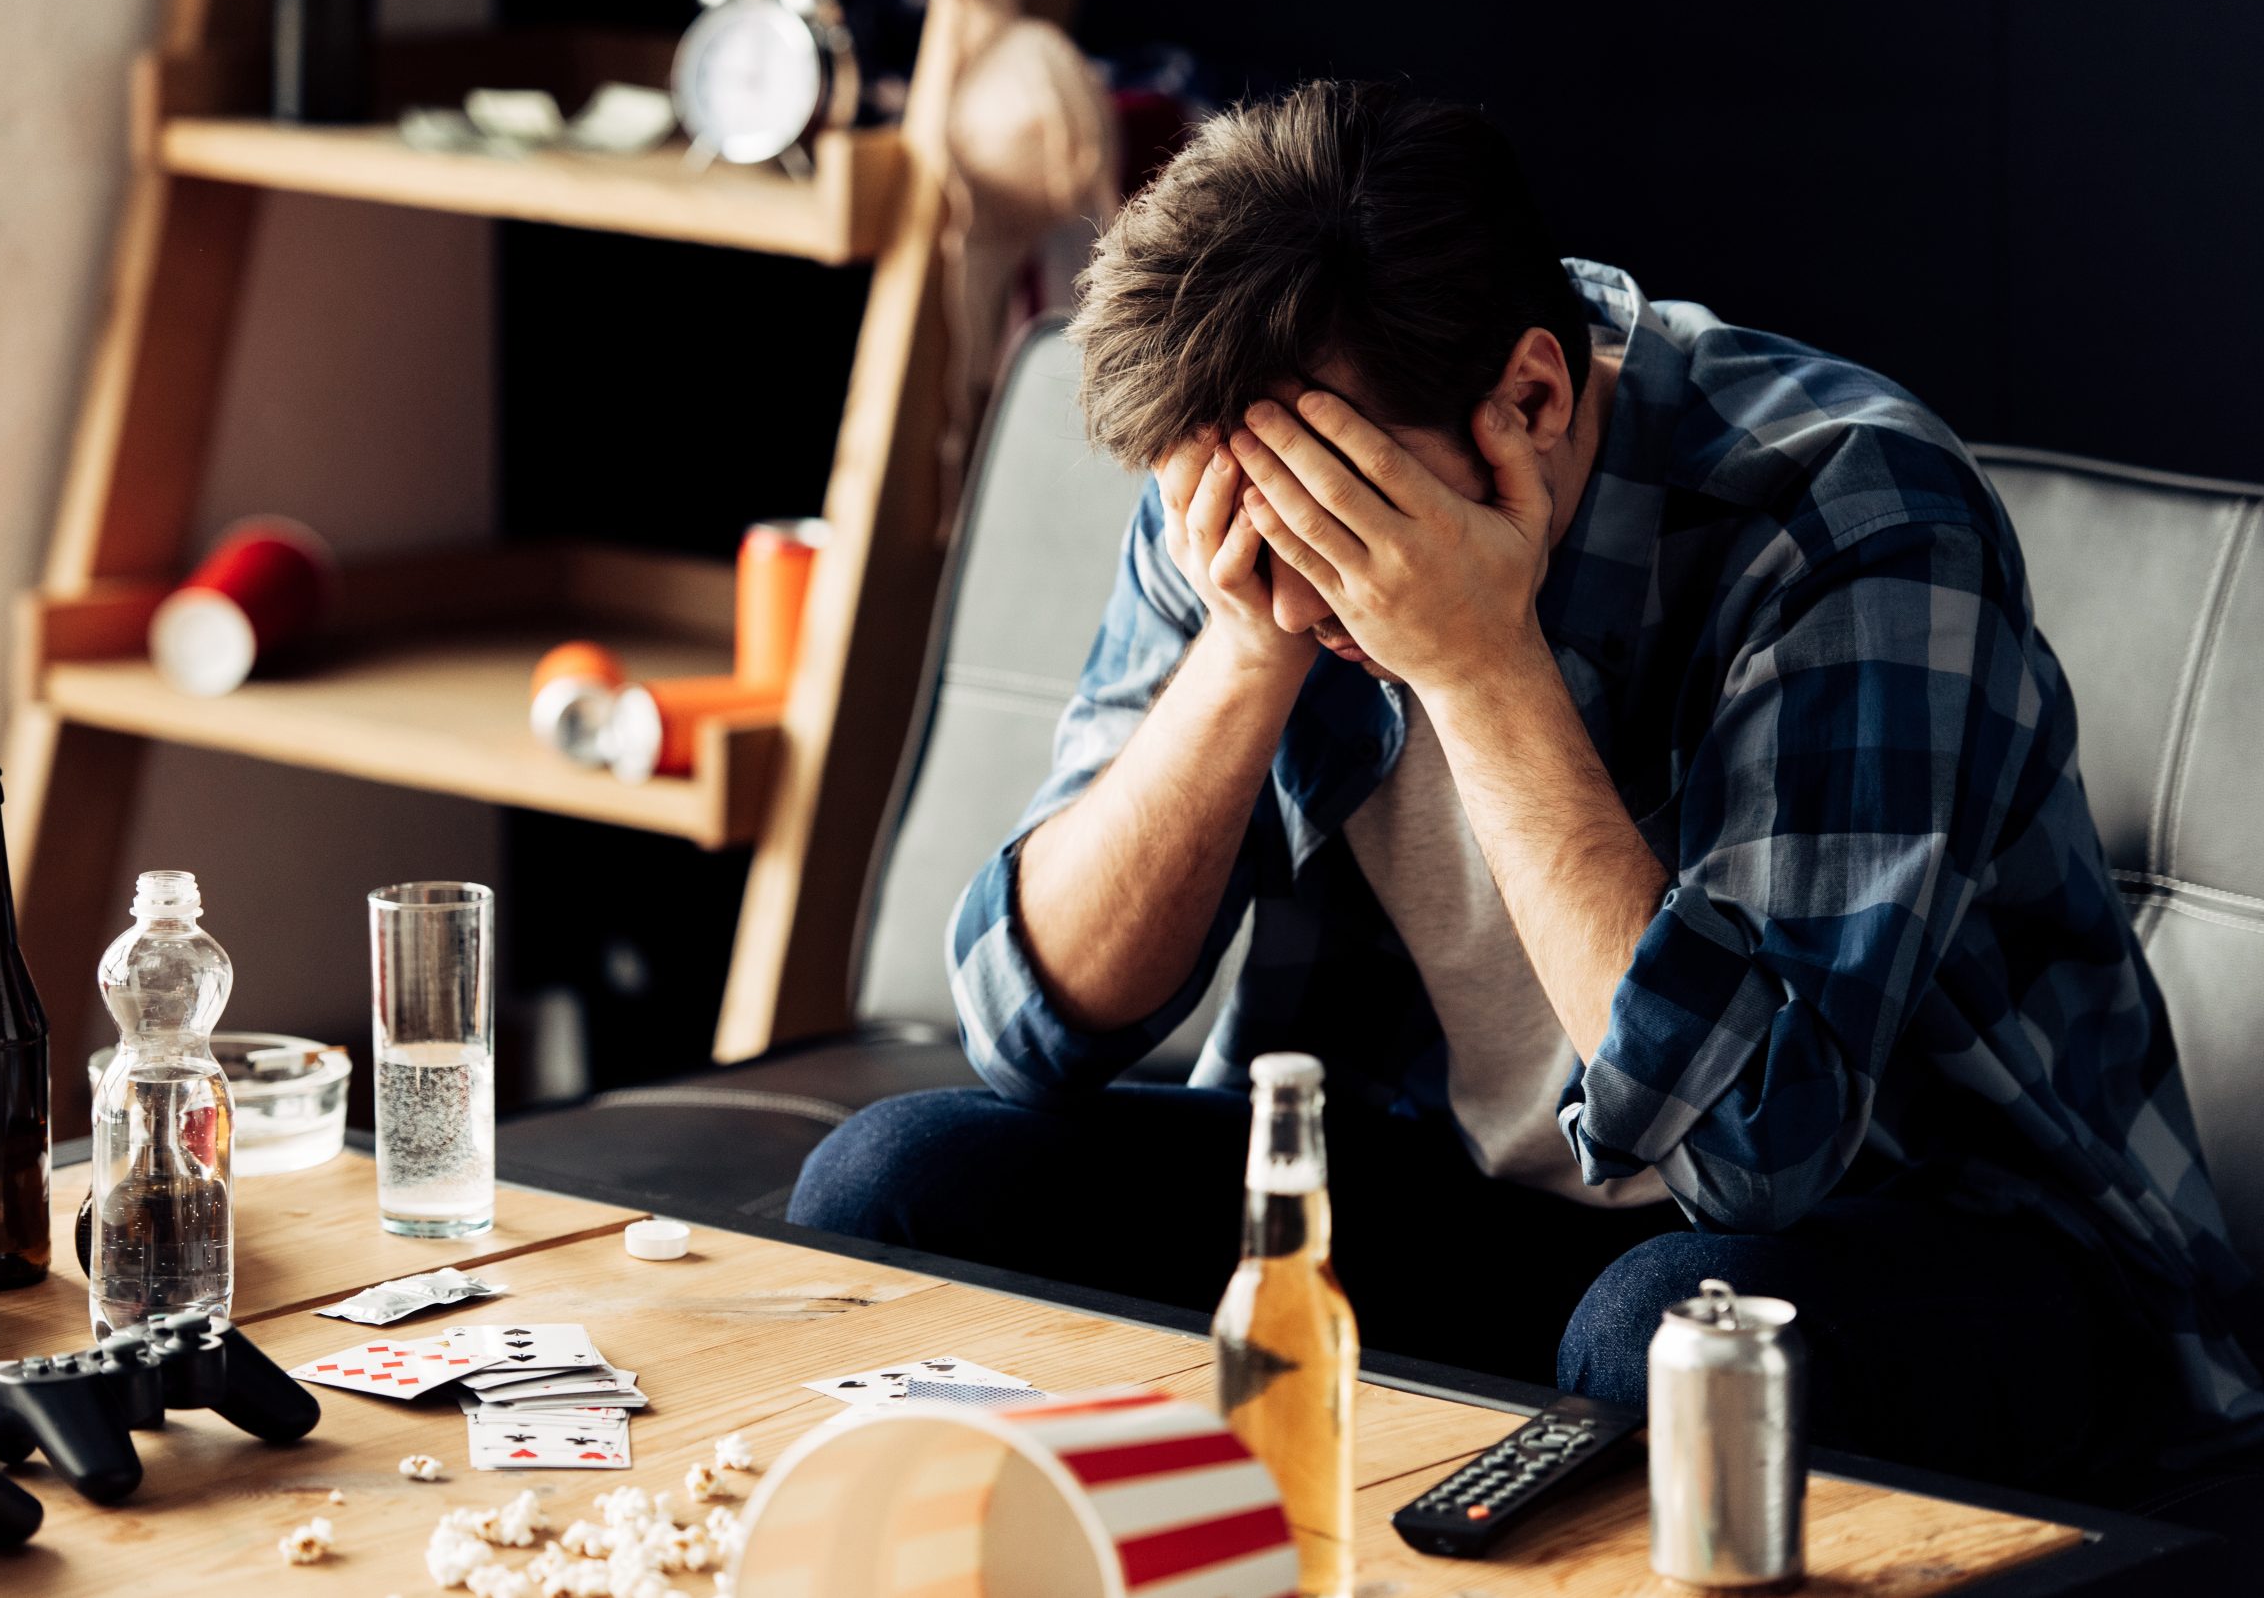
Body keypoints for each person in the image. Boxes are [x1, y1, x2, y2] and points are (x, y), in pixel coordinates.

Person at [788, 82, 2263, 1486]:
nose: (1293, 567)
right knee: (896, 1180)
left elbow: (1758, 1151)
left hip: (1945, 1242)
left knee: (1667, 1342)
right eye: (1247, 514)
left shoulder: (1849, 513)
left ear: (1535, 399)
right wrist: (1242, 652)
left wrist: (1483, 669)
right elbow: (1026, 1021)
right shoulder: (1246, 467)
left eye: (1338, 510)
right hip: (1463, 1191)